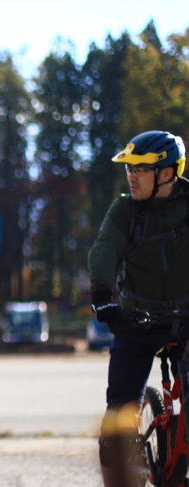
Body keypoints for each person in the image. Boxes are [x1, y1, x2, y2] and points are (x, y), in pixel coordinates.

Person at [88, 130, 189, 486]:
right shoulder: (125, 210)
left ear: (166, 174)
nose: (131, 175)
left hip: (186, 321)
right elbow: (105, 248)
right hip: (136, 321)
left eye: (140, 169)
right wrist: (102, 293)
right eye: (129, 167)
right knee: (116, 424)